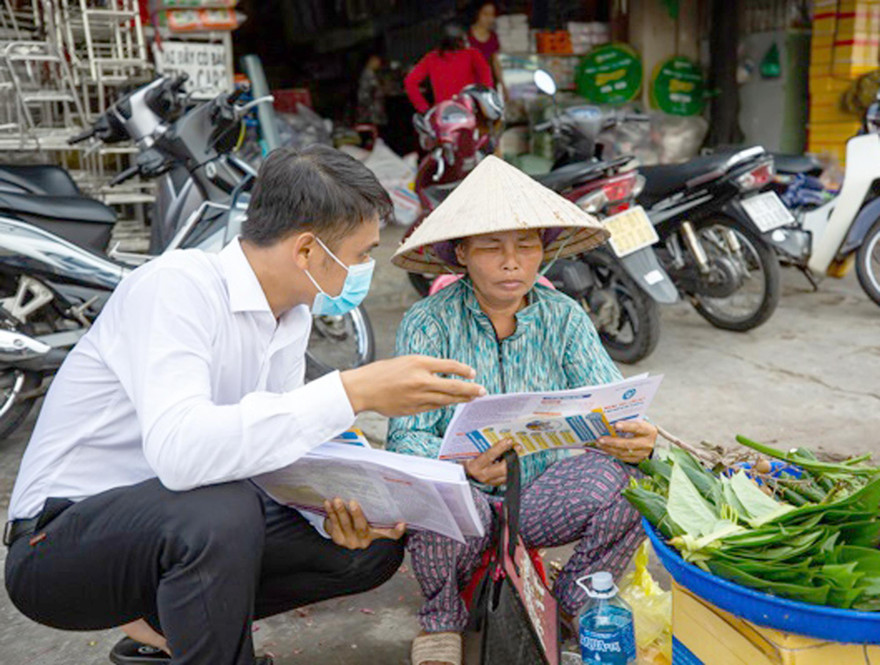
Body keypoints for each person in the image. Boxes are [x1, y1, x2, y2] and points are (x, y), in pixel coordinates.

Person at [3, 145, 486, 665]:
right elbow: (182, 454)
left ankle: (172, 630)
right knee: (220, 507)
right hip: (58, 546)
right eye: (362, 253)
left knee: (372, 542)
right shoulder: (175, 287)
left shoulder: (291, 317)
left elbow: (272, 452)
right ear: (307, 251)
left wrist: (353, 501)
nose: (366, 267)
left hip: (172, 524)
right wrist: (353, 391)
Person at [387, 156, 657, 665]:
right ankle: (442, 617)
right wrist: (461, 467)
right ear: (461, 252)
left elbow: (611, 399)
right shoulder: (428, 322)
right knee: (429, 489)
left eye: (527, 245)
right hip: (464, 504)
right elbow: (406, 437)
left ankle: (574, 604)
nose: (512, 262)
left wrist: (634, 435)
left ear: (544, 252)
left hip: (537, 499)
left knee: (632, 481)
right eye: (491, 247)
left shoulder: (565, 317)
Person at [404, 22, 493, 115]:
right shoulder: (472, 54)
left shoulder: (431, 58)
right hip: (470, 111)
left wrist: (425, 110)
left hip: (444, 116)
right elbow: (486, 78)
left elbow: (410, 82)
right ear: (461, 39)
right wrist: (483, 101)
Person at [467, 2, 505, 94]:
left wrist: (502, 85)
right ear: (477, 14)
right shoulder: (467, 36)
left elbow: (495, 62)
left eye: (492, 15)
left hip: (487, 85)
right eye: (485, 14)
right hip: (469, 85)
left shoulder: (493, 37)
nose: (489, 19)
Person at [356, 53, 388, 130]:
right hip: (370, 112)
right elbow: (363, 95)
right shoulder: (367, 75)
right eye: (377, 61)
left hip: (374, 111)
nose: (379, 64)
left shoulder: (372, 74)